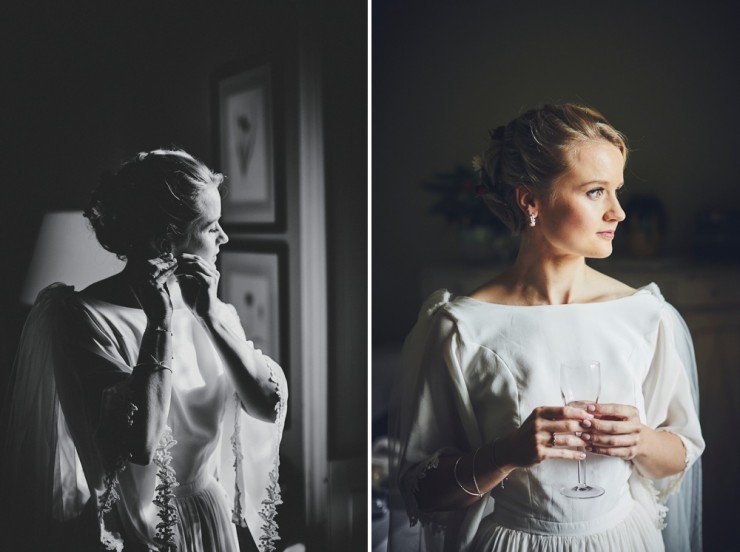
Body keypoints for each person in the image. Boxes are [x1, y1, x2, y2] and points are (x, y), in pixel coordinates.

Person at [388, 104, 704, 552]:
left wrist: (642, 440)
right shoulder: (460, 328)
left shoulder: (645, 314)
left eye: (617, 191)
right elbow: (422, 490)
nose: (618, 213)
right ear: (529, 200)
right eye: (596, 192)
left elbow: (682, 451)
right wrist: (505, 455)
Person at [0, 149, 288, 551]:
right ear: (164, 242)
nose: (224, 237)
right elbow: (140, 444)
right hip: (138, 530)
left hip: (208, 517)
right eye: (210, 227)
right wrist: (160, 322)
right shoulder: (82, 318)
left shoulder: (211, 307)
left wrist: (208, 316)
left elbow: (266, 405)